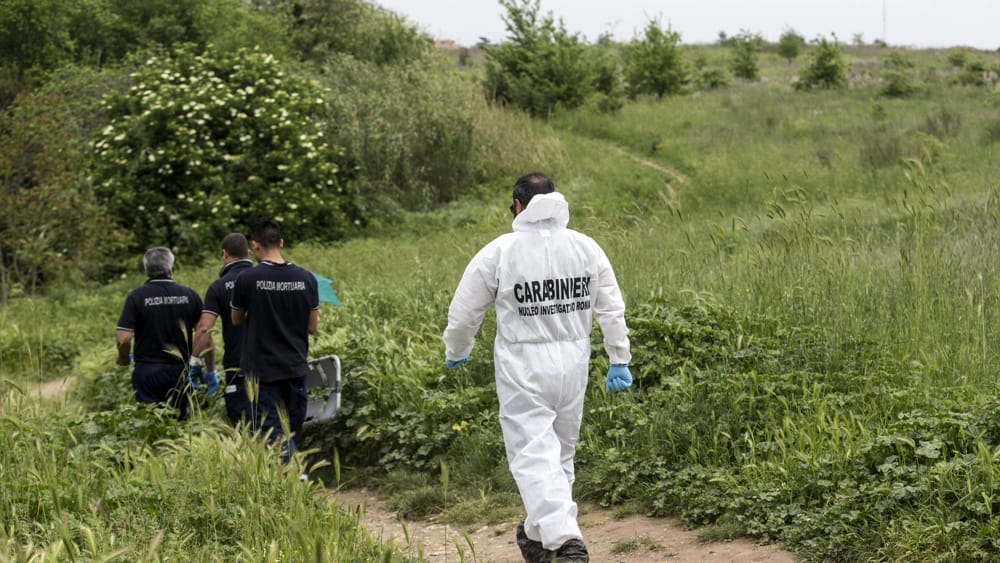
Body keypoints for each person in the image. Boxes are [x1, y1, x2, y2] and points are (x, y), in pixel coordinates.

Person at [442, 172, 633, 563]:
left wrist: (457, 348)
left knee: (532, 454)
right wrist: (619, 358)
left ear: (517, 205)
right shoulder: (586, 247)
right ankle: (535, 536)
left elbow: (465, 311)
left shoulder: (501, 251)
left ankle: (566, 542)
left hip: (522, 366)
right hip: (574, 363)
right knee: (560, 454)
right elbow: (611, 307)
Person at [231, 218, 319, 461]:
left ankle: (289, 476)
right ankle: (291, 473)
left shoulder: (247, 280)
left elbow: (236, 319)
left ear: (254, 246)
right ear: (281, 242)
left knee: (270, 430)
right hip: (295, 366)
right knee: (290, 429)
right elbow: (312, 327)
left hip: (261, 371)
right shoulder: (307, 278)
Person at [116, 246, 204, 420]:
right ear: (171, 268)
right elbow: (203, 332)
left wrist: (124, 358)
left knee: (150, 423)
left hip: (147, 371)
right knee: (180, 422)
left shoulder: (136, 297)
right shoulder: (190, 295)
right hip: (181, 371)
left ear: (146, 270)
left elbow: (123, 338)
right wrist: (198, 364)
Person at [192, 233, 255, 426]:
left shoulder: (218, 287)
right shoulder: (266, 278)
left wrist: (194, 363)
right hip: (274, 361)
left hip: (238, 364)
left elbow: (204, 329)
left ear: (224, 254)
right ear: (249, 252)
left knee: (243, 423)